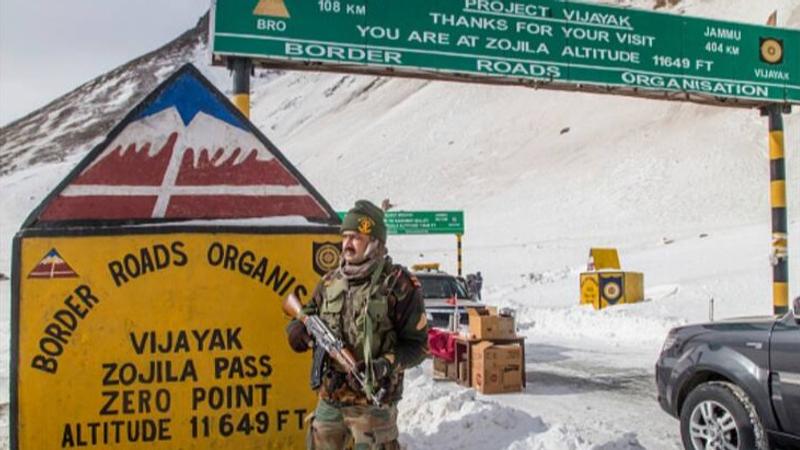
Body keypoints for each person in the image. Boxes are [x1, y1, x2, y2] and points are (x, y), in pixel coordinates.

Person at [286, 199, 429, 450]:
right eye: (345, 237)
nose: (347, 245)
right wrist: (298, 330)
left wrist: (384, 365)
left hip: (373, 407)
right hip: (330, 400)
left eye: (356, 238)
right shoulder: (330, 281)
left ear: (374, 242)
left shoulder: (398, 285)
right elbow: (306, 313)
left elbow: (418, 347)